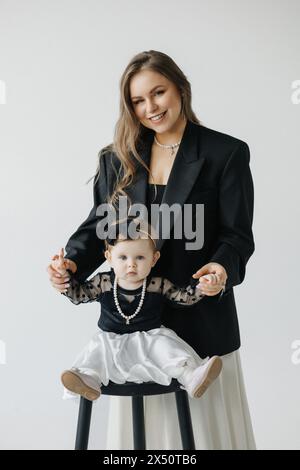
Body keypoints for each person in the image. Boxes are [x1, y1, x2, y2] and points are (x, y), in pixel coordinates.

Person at [47, 50, 256, 449]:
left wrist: (220, 268)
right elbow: (100, 225)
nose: (150, 108)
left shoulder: (226, 153)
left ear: (180, 87)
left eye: (157, 93)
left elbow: (237, 236)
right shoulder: (117, 157)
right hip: (131, 332)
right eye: (138, 101)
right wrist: (71, 263)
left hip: (201, 327)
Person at [51, 218, 223, 401]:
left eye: (140, 257)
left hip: (150, 338)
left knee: (166, 348)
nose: (131, 264)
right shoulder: (104, 283)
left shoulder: (156, 284)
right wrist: (64, 275)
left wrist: (201, 286)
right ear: (109, 257)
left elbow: (184, 297)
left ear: (154, 259)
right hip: (112, 338)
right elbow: (78, 294)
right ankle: (88, 379)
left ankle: (190, 375)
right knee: (99, 351)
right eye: (123, 257)